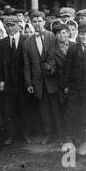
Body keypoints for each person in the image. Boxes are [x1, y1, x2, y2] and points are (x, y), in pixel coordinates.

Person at [23, 11, 63, 144]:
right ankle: (48, 133)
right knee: (44, 108)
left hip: (53, 79)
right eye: (34, 21)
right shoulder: (27, 42)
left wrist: (51, 68)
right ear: (31, 23)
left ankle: (60, 134)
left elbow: (57, 56)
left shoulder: (52, 36)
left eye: (40, 21)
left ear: (44, 22)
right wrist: (29, 83)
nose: (37, 24)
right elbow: (27, 64)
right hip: (38, 81)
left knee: (56, 107)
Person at [63, 23, 86, 154]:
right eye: (82, 34)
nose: (84, 36)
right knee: (71, 114)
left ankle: (83, 144)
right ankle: (69, 141)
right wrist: (65, 86)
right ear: (78, 35)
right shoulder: (73, 49)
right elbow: (66, 69)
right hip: (75, 88)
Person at [0, 16, 30, 145]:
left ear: (18, 25)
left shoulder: (26, 40)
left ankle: (25, 134)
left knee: (24, 108)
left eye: (13, 25)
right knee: (9, 109)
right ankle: (11, 135)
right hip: (8, 81)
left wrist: (29, 82)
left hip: (22, 82)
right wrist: (1, 80)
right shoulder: (2, 43)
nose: (10, 28)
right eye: (7, 26)